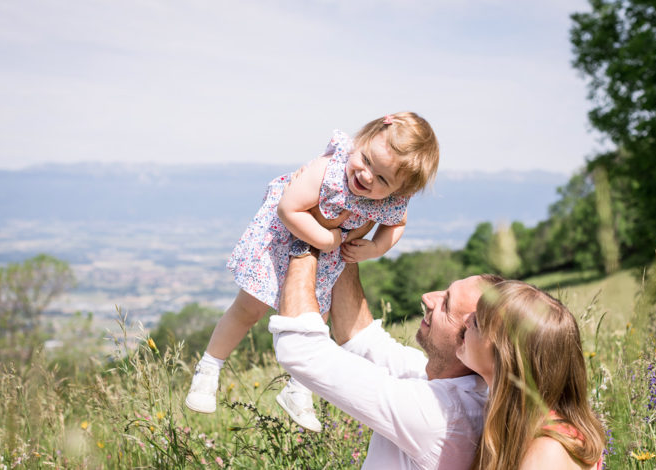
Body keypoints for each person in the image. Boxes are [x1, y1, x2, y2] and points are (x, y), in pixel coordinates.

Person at [186, 112, 440, 432]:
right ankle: (209, 367)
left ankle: (298, 389)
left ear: (397, 192)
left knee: (316, 322)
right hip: (280, 243)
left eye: (383, 179)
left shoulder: (387, 202)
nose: (366, 175)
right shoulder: (329, 171)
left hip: (323, 263)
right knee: (248, 309)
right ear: (361, 141)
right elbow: (288, 207)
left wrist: (377, 247)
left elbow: (397, 224)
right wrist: (328, 239)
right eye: (366, 159)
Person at [270, 250, 503, 469]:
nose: (428, 298)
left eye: (446, 304)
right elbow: (360, 338)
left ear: (468, 340)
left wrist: (305, 244)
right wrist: (340, 240)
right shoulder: (447, 384)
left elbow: (299, 348)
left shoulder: (441, 416)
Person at [457, 280, 605, 470]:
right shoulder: (517, 423)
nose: (465, 320)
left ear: (506, 357)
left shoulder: (547, 453)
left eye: (477, 322)